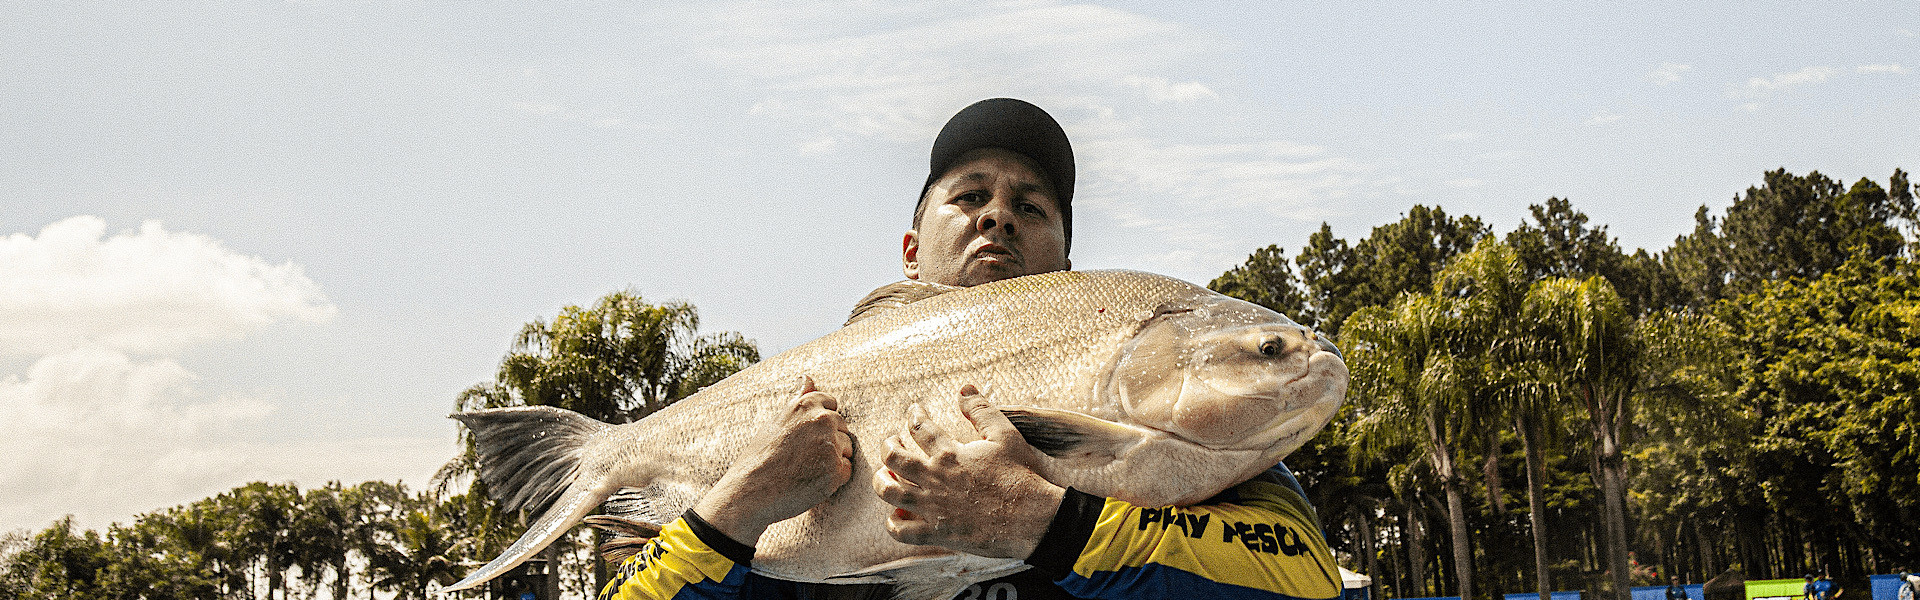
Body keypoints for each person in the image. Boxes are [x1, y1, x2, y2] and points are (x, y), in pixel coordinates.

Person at [597, 98, 1342, 600]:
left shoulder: (1214, 451)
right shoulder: (790, 425)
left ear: (1070, 273)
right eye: (969, 196)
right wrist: (736, 507)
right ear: (911, 253)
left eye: (1030, 205)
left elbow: (1308, 580)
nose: (999, 217)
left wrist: (1041, 522)